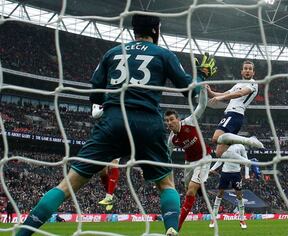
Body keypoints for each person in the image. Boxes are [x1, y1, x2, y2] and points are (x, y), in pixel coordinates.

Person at [17, 13, 216, 236]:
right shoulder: (163, 54)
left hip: (113, 121)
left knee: (66, 186)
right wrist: (201, 74)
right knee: (166, 186)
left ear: (134, 31)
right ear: (155, 31)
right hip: (147, 124)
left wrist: (102, 106)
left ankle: (22, 233)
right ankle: (171, 228)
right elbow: (190, 90)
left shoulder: (112, 53)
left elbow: (95, 91)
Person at [164, 86, 212, 232]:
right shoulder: (172, 139)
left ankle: (176, 228)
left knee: (190, 191)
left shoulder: (190, 122)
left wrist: (203, 90)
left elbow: (202, 105)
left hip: (204, 159)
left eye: (172, 119)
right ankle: (202, 189)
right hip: (188, 163)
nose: (169, 122)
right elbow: (167, 156)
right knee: (187, 190)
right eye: (167, 121)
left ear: (178, 119)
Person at [207, 60, 263, 160]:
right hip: (232, 115)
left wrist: (221, 98)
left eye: (250, 69)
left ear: (253, 73)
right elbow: (223, 94)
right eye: (245, 68)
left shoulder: (253, 83)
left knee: (215, 139)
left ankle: (250, 140)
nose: (247, 70)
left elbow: (240, 93)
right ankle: (247, 162)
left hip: (234, 114)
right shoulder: (238, 84)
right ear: (241, 72)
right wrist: (209, 91)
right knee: (219, 153)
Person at [209, 144, 250, 229]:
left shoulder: (241, 146)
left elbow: (246, 161)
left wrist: (247, 174)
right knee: (220, 194)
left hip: (236, 173)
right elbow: (220, 161)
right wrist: (212, 169)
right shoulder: (224, 146)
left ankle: (242, 220)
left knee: (239, 195)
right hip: (225, 173)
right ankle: (213, 219)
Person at [92, 104, 120, 211]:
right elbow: (95, 114)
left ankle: (109, 196)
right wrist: (106, 105)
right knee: (102, 172)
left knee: (113, 163)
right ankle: (111, 196)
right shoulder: (100, 99)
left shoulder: (118, 97)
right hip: (104, 135)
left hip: (118, 132)